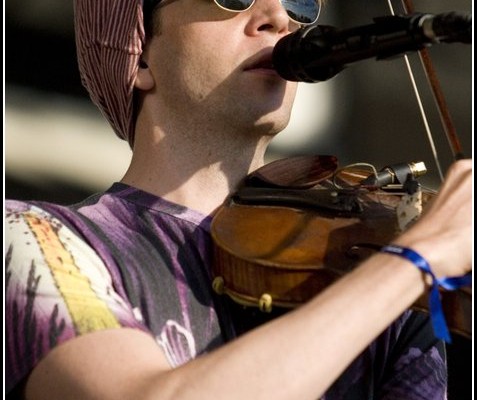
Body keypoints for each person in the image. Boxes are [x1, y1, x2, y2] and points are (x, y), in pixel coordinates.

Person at [5, 0, 472, 398]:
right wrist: (416, 260)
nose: (278, 17)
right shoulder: (34, 238)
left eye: (297, 1)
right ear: (140, 53)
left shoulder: (376, 277)